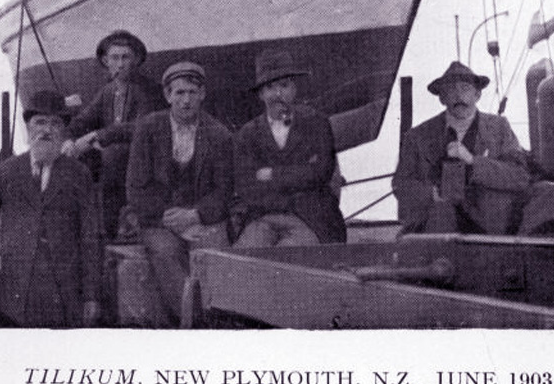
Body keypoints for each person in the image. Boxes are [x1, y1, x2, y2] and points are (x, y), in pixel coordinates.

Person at [0, 90, 101, 328]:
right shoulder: (8, 171)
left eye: (55, 123)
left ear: (63, 130)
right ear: (28, 127)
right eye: (40, 122)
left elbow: (91, 237)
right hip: (14, 291)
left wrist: (91, 295)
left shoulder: (78, 174)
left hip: (64, 292)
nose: (46, 130)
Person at [125, 61, 233, 327]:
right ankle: (193, 324)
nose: (186, 101)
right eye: (179, 93)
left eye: (192, 93)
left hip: (201, 218)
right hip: (159, 219)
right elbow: (135, 188)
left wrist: (195, 215)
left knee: (213, 252)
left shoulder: (219, 134)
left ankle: (220, 321)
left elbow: (224, 191)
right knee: (165, 251)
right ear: (167, 95)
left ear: (203, 94)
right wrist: (171, 220)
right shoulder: (148, 129)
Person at [392, 61, 534, 236]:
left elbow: (520, 177)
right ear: (442, 98)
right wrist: (432, 194)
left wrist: (473, 162)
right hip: (436, 228)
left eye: (465, 88)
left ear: (477, 94)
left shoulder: (499, 128)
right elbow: (401, 185)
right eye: (451, 90)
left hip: (491, 231)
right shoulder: (417, 136)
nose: (459, 96)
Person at [233, 48, 346, 247]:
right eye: (270, 88)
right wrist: (299, 175)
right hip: (263, 216)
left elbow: (321, 173)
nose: (278, 94)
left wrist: (271, 175)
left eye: (284, 86)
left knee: (290, 256)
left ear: (294, 89)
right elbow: (245, 185)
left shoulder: (317, 123)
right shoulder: (247, 134)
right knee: (246, 256)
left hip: (311, 217)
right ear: (260, 94)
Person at [63, 30, 163, 239]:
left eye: (125, 57)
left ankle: (113, 229)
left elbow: (141, 127)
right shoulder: (108, 91)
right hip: (114, 156)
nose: (120, 64)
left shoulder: (147, 89)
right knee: (77, 159)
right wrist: (69, 140)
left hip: (146, 157)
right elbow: (83, 120)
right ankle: (80, 225)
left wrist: (97, 136)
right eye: (114, 58)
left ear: (135, 60)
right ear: (105, 61)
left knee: (113, 154)